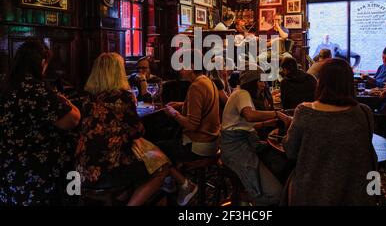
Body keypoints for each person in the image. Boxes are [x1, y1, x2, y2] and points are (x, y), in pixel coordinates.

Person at [77, 53, 197, 206]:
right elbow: (137, 130)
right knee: (161, 168)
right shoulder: (122, 97)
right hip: (109, 168)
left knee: (142, 156)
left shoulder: (87, 98)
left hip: (82, 168)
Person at [282, 58, 378, 206]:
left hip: (311, 192)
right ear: (349, 83)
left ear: (320, 81)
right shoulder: (365, 112)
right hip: (354, 193)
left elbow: (290, 151)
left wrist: (290, 126)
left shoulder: (304, 111)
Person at [0, 41, 81, 205]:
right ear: (42, 63)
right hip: (36, 172)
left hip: (6, 169)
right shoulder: (37, 89)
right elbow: (72, 120)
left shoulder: (4, 84)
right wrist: (63, 99)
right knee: (77, 156)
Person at [221, 66, 292, 206]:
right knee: (273, 194)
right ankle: (247, 197)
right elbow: (250, 116)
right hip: (235, 148)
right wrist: (278, 114)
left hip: (243, 142)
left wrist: (268, 123)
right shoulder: (242, 94)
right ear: (251, 82)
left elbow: (243, 126)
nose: (264, 84)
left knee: (279, 161)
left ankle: (249, 193)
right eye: (260, 81)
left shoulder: (241, 94)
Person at [161, 49, 221, 162]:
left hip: (198, 146)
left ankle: (181, 179)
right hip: (213, 143)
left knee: (156, 149)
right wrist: (181, 104)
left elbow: (192, 125)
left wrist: (173, 113)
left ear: (192, 66)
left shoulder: (196, 86)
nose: (180, 70)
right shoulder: (208, 81)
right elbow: (204, 105)